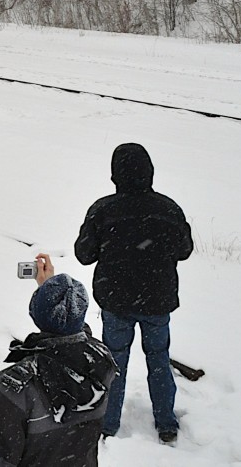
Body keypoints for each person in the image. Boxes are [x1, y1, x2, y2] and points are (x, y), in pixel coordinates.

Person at [74, 142, 193, 445]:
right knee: (158, 358)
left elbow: (84, 254)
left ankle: (108, 422)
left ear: (115, 174)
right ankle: (165, 423)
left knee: (114, 362)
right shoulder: (169, 208)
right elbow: (184, 249)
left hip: (116, 300)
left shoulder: (103, 210)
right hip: (158, 299)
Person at [0, 253, 117, 467]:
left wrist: (48, 294)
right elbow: (75, 335)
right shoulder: (100, 360)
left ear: (36, 314)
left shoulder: (18, 386)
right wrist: (52, 289)